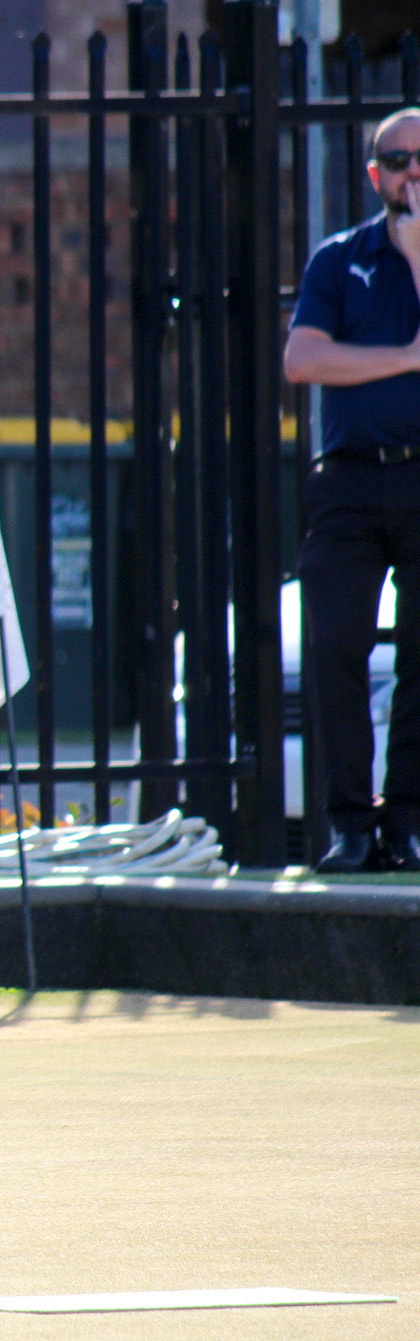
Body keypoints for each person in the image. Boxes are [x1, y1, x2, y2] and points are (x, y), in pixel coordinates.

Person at [284, 107, 420, 874]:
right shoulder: (340, 261)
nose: (414, 174)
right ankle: (349, 823)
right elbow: (304, 359)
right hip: (349, 477)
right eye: (399, 160)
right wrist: (404, 357)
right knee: (335, 641)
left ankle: (406, 820)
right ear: (376, 175)